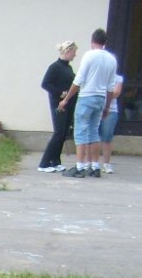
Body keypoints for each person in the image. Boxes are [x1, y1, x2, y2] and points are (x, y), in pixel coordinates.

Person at [58, 29, 118, 179]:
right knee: (93, 131)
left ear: (92, 41)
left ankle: (80, 166)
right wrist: (107, 106)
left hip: (86, 96)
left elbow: (79, 80)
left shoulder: (89, 56)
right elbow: (111, 87)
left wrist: (66, 99)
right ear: (105, 42)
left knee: (80, 131)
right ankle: (95, 166)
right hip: (101, 98)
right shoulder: (111, 59)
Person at [37, 41, 78, 173]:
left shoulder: (68, 68)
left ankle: (55, 161)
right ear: (67, 51)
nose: (75, 55)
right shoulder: (55, 67)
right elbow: (45, 84)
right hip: (58, 104)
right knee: (59, 132)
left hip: (69, 103)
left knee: (64, 132)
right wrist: (60, 93)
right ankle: (44, 163)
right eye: (74, 52)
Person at [99, 74, 124, 173]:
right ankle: (91, 163)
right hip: (96, 109)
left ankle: (106, 164)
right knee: (92, 137)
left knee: (107, 137)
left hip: (111, 110)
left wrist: (100, 93)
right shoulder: (98, 75)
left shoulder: (118, 78)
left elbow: (116, 93)